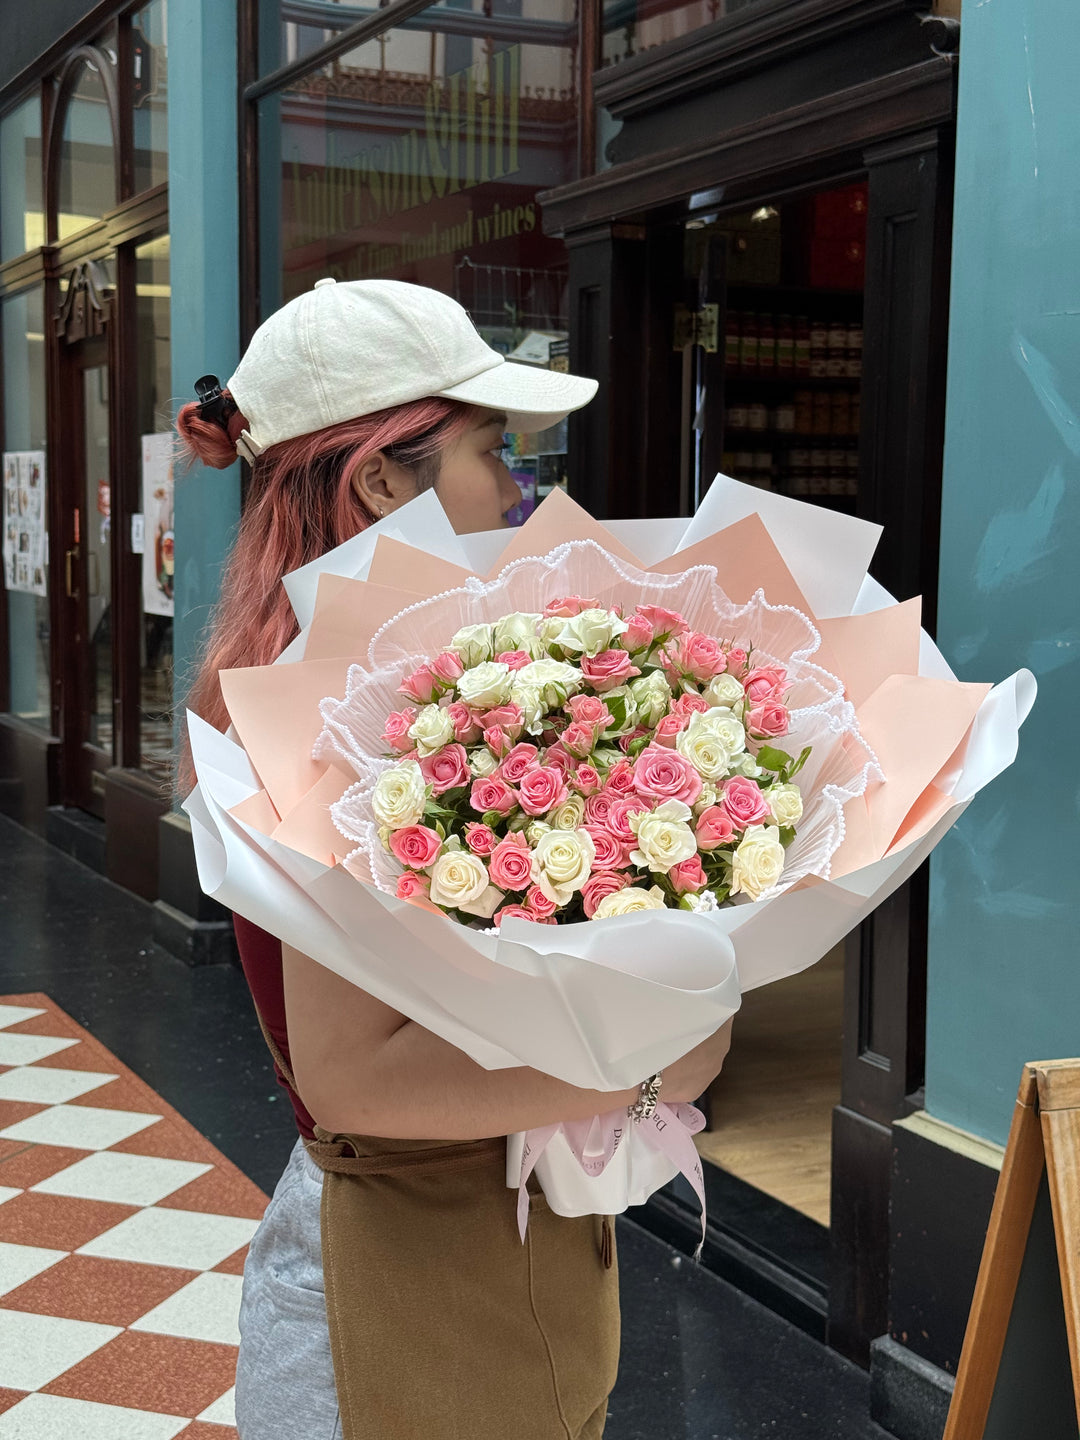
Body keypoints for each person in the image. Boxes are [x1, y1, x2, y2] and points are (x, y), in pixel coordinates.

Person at [176, 278, 734, 1440]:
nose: (525, 491)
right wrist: (642, 1075)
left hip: (492, 1246)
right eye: (496, 451)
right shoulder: (320, 720)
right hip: (395, 1287)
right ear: (386, 477)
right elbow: (355, 1081)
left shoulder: (412, 693)